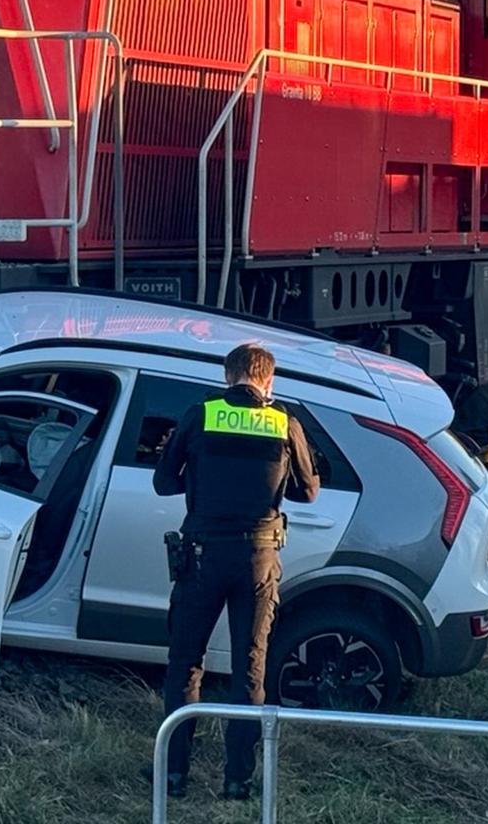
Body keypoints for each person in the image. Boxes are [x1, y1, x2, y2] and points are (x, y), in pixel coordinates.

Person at [151, 343, 319, 800]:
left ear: (228, 377)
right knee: (249, 670)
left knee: (186, 663)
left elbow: (163, 481)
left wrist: (204, 480)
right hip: (258, 560)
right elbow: (308, 492)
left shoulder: (200, 413)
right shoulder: (285, 422)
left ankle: (173, 775)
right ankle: (237, 781)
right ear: (268, 381)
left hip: (202, 556)